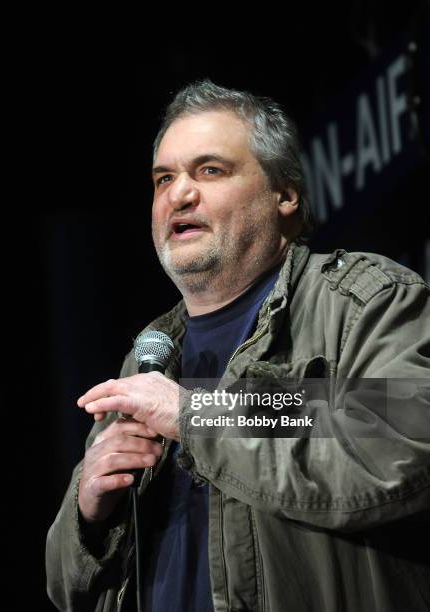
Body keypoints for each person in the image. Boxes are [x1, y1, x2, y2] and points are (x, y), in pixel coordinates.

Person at [46, 80, 430, 612]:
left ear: (285, 193)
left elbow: (396, 456)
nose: (178, 194)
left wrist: (193, 415)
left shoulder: (365, 302)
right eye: (164, 178)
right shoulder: (152, 354)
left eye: (210, 170)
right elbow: (65, 587)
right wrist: (88, 516)